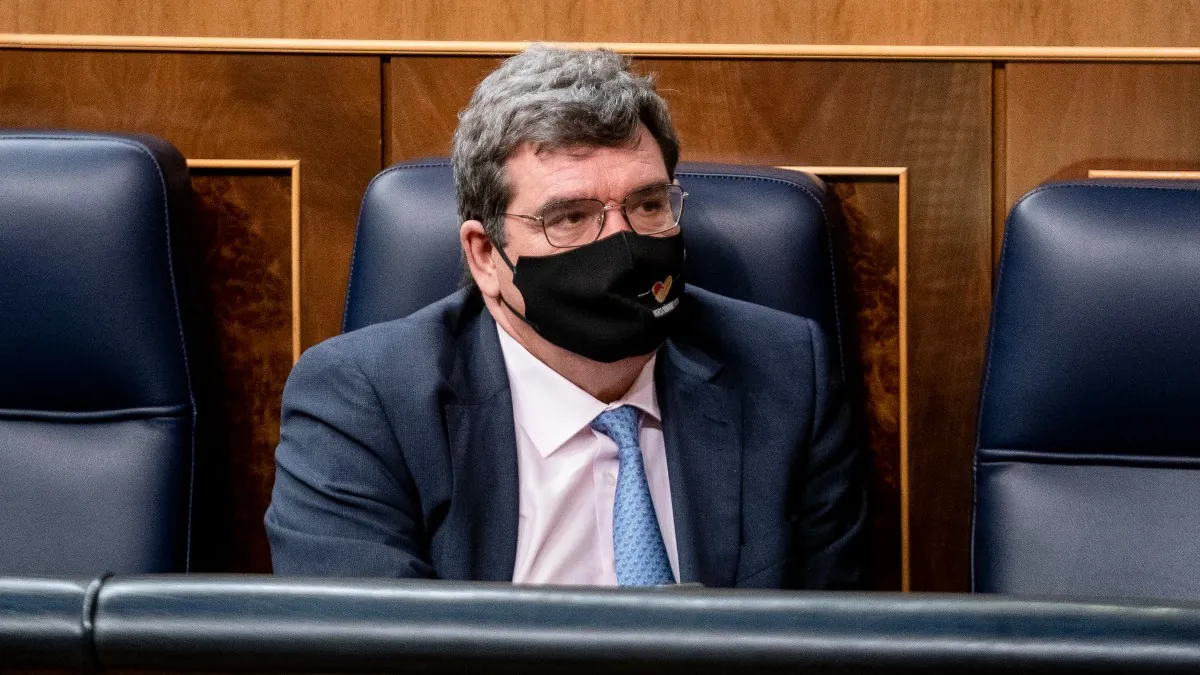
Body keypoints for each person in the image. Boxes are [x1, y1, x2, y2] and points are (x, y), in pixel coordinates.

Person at [265, 45, 866, 588]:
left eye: (648, 205)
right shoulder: (362, 403)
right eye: (570, 218)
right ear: (486, 256)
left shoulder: (787, 375)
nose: (624, 246)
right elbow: (374, 650)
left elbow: (824, 641)